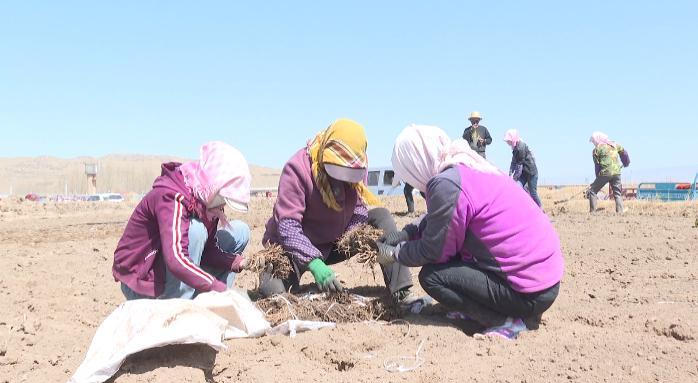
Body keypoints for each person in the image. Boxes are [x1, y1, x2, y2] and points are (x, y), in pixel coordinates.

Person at [377, 124, 564, 339]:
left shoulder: (445, 184)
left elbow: (433, 250)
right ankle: (495, 310)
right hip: (544, 282)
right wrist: (406, 233)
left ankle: (505, 321)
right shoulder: (468, 167)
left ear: (415, 164)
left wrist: (396, 254)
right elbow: (443, 218)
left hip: (528, 292)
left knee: (432, 276)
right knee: (453, 256)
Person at [261, 118, 414, 300]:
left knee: (381, 217)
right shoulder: (297, 169)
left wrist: (351, 236)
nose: (343, 181)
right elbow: (288, 226)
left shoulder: (357, 164)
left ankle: (401, 291)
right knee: (273, 293)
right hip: (293, 247)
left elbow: (359, 208)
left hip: (335, 241)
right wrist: (314, 262)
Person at [113, 141, 252, 300]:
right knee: (197, 230)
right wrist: (221, 290)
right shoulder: (172, 197)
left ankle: (213, 302)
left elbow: (206, 251)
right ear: (215, 185)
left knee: (240, 230)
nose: (222, 206)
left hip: (170, 269)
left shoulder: (207, 200)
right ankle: (177, 306)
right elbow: (176, 260)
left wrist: (240, 262)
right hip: (143, 279)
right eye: (223, 199)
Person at [588, 132, 630, 213]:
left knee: (592, 190)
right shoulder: (614, 145)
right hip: (617, 172)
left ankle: (592, 213)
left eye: (593, 141)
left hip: (605, 173)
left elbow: (597, 166)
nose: (594, 143)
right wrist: (626, 163)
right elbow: (624, 153)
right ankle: (620, 212)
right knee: (617, 193)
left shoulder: (596, 150)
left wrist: (598, 178)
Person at [504, 129, 542, 207]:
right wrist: (510, 174)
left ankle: (540, 209)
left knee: (533, 192)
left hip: (531, 173)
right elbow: (513, 162)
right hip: (524, 173)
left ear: (513, 138)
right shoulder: (514, 148)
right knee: (517, 187)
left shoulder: (521, 147)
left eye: (508, 140)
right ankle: (525, 207)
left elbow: (519, 165)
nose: (507, 142)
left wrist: (514, 178)